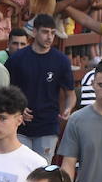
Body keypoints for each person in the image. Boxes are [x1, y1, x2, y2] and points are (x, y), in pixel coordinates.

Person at [6, 14, 76, 160]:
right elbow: (5, 90)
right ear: (35, 32)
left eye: (52, 33)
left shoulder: (61, 61)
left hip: (48, 126)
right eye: (45, 32)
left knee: (42, 172)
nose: (49, 37)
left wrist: (68, 108)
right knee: (20, 170)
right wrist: (17, 108)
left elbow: (70, 94)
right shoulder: (17, 59)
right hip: (20, 126)